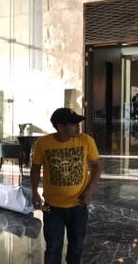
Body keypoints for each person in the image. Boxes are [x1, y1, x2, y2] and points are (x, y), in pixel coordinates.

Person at [30, 108, 102, 264]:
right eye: (73, 123)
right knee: (53, 248)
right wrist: (35, 192)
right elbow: (35, 168)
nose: (78, 126)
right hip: (50, 206)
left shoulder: (86, 141)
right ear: (60, 126)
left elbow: (97, 166)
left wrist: (89, 191)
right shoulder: (43, 143)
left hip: (79, 205)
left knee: (76, 248)